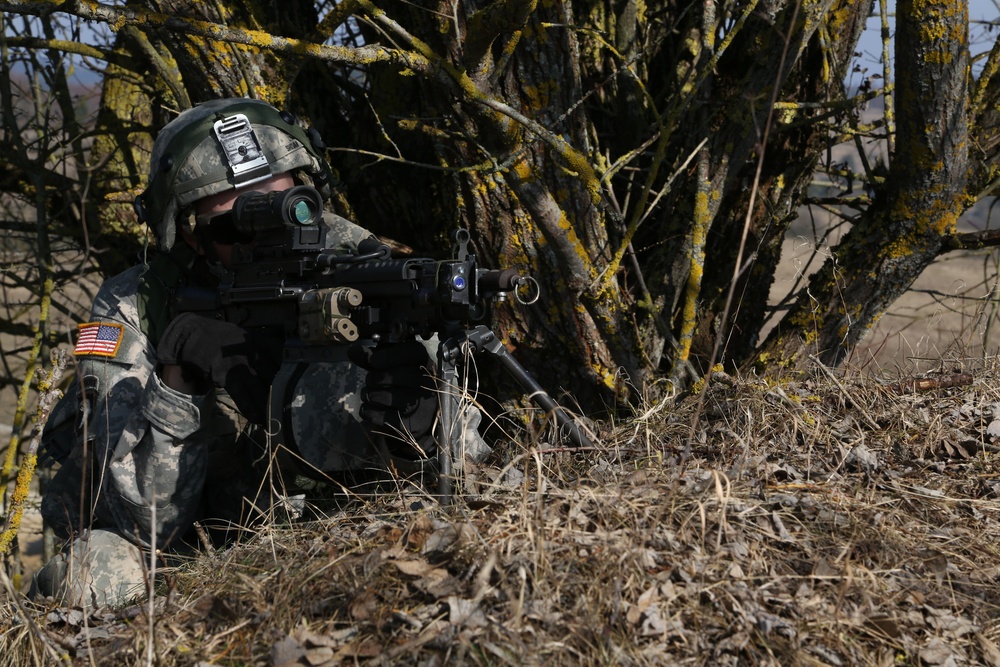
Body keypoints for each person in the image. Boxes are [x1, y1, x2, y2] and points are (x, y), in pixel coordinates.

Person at [31, 98, 485, 608]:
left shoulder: (361, 266)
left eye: (282, 205)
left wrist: (418, 429)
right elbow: (141, 527)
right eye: (233, 222)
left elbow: (473, 480)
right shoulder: (140, 305)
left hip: (343, 529)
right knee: (95, 575)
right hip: (196, 554)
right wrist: (179, 386)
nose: (266, 233)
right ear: (187, 232)